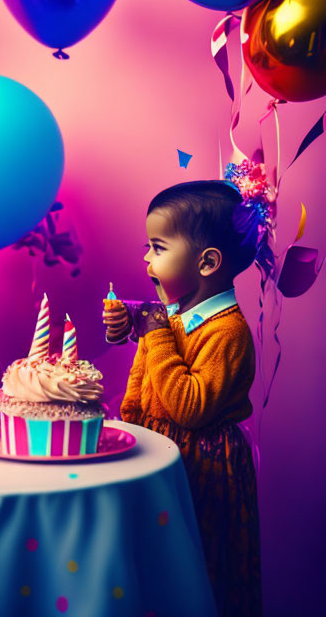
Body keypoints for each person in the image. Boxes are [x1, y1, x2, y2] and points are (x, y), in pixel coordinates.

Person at [104, 180, 262, 616]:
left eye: (157, 248)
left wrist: (153, 334)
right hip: (164, 448)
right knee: (155, 565)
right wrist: (130, 322)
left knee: (195, 566)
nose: (146, 260)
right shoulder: (180, 308)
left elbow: (190, 407)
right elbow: (163, 335)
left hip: (202, 462)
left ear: (207, 262)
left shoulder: (228, 332)